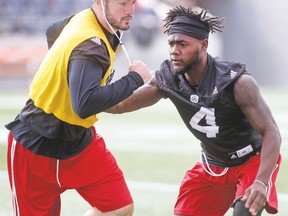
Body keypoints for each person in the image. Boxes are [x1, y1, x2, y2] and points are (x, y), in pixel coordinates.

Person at [107, 6, 282, 216]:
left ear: (203, 45)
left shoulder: (237, 82)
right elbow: (121, 104)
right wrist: (82, 98)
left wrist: (262, 181)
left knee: (245, 212)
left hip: (250, 161)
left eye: (183, 44)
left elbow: (271, 131)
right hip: (213, 165)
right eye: (171, 43)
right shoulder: (168, 78)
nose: (174, 50)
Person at [5, 0, 152, 215]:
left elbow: (52, 30)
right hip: (35, 144)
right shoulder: (90, 42)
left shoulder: (88, 21)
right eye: (122, 3)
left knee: (119, 207)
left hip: (78, 140)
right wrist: (134, 78)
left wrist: (62, 74)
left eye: (132, 3)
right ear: (101, 3)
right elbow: (85, 104)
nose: (130, 11)